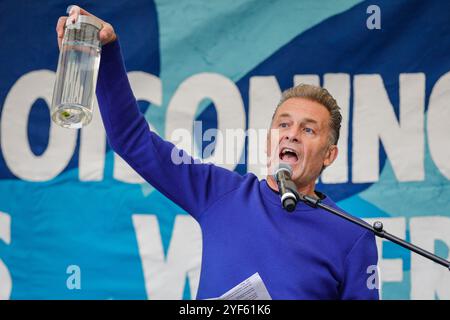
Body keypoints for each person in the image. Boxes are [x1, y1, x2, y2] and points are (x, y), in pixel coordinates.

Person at [56, 6, 379, 300]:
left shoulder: (352, 235)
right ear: (269, 140)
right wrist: (107, 49)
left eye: (308, 129)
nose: (292, 134)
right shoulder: (221, 192)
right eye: (284, 124)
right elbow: (131, 141)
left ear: (329, 155)